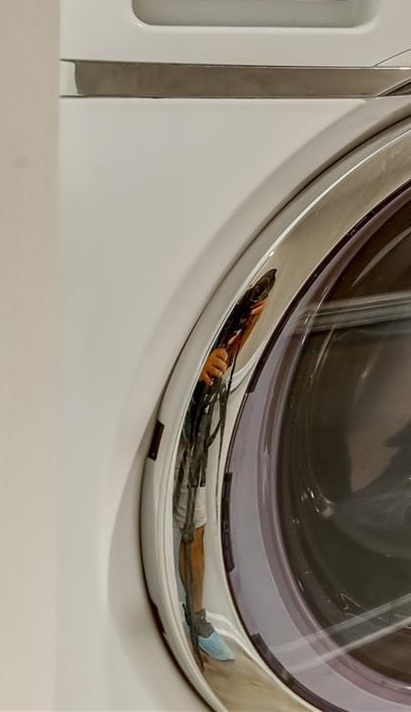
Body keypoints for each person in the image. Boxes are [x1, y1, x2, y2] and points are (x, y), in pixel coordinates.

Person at [173, 272, 276, 664]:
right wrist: (192, 370)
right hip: (172, 432)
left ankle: (197, 615)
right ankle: (193, 617)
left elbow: (222, 364)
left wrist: (246, 326)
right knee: (191, 528)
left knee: (196, 528)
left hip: (194, 431)